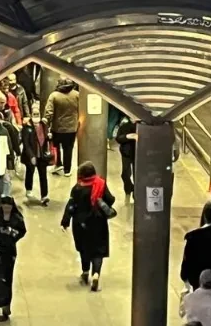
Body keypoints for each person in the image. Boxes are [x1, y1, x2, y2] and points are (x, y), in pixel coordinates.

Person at [60, 161, 115, 291]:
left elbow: (71, 206)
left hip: (81, 224)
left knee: (84, 249)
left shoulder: (77, 188)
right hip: (98, 222)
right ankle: (96, 274)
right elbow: (111, 199)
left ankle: (85, 273)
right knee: (98, 251)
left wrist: (65, 221)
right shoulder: (101, 184)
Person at [0, 196, 26, 319]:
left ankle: (6, 307)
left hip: (8, 253)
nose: (7, 209)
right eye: (5, 206)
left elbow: (22, 231)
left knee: (6, 279)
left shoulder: (17, 218)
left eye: (9, 207)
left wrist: (12, 233)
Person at [44, 79, 80, 175]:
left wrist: (46, 124)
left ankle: (58, 164)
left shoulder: (54, 96)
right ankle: (67, 170)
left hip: (57, 127)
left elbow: (49, 112)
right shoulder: (77, 95)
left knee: (55, 147)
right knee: (68, 149)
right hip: (72, 127)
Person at [20, 101, 52, 205]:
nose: (36, 116)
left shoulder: (43, 125)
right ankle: (28, 188)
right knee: (30, 171)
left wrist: (49, 137)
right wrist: (31, 156)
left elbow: (45, 138)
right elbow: (26, 143)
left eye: (37, 114)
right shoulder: (27, 126)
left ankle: (44, 195)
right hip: (32, 155)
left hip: (42, 155)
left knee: (43, 175)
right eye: (34, 114)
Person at [114, 115, 137, 202]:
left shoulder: (141, 125)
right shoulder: (124, 124)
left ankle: (136, 193)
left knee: (137, 175)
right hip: (126, 153)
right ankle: (129, 188)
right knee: (125, 174)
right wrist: (128, 136)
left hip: (138, 154)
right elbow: (118, 138)